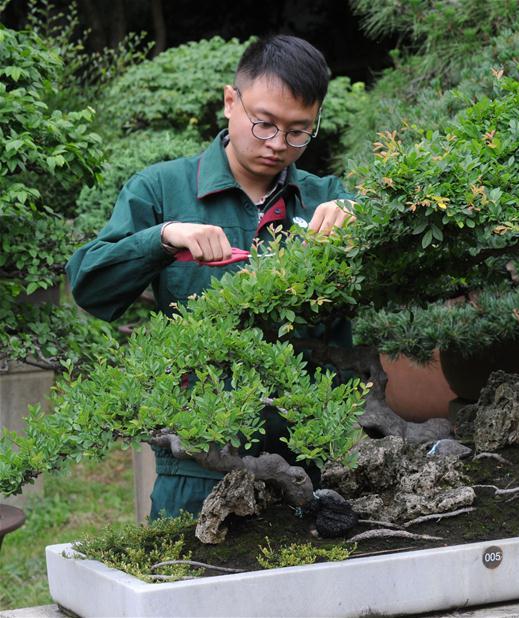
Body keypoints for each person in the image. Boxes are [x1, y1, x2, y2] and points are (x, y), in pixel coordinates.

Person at [67, 35, 356, 519]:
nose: (277, 145)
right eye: (264, 124)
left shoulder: (325, 196)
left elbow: (394, 226)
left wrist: (359, 215)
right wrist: (163, 237)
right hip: (199, 465)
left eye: (298, 132)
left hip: (310, 464)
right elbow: (90, 286)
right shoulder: (161, 189)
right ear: (230, 102)